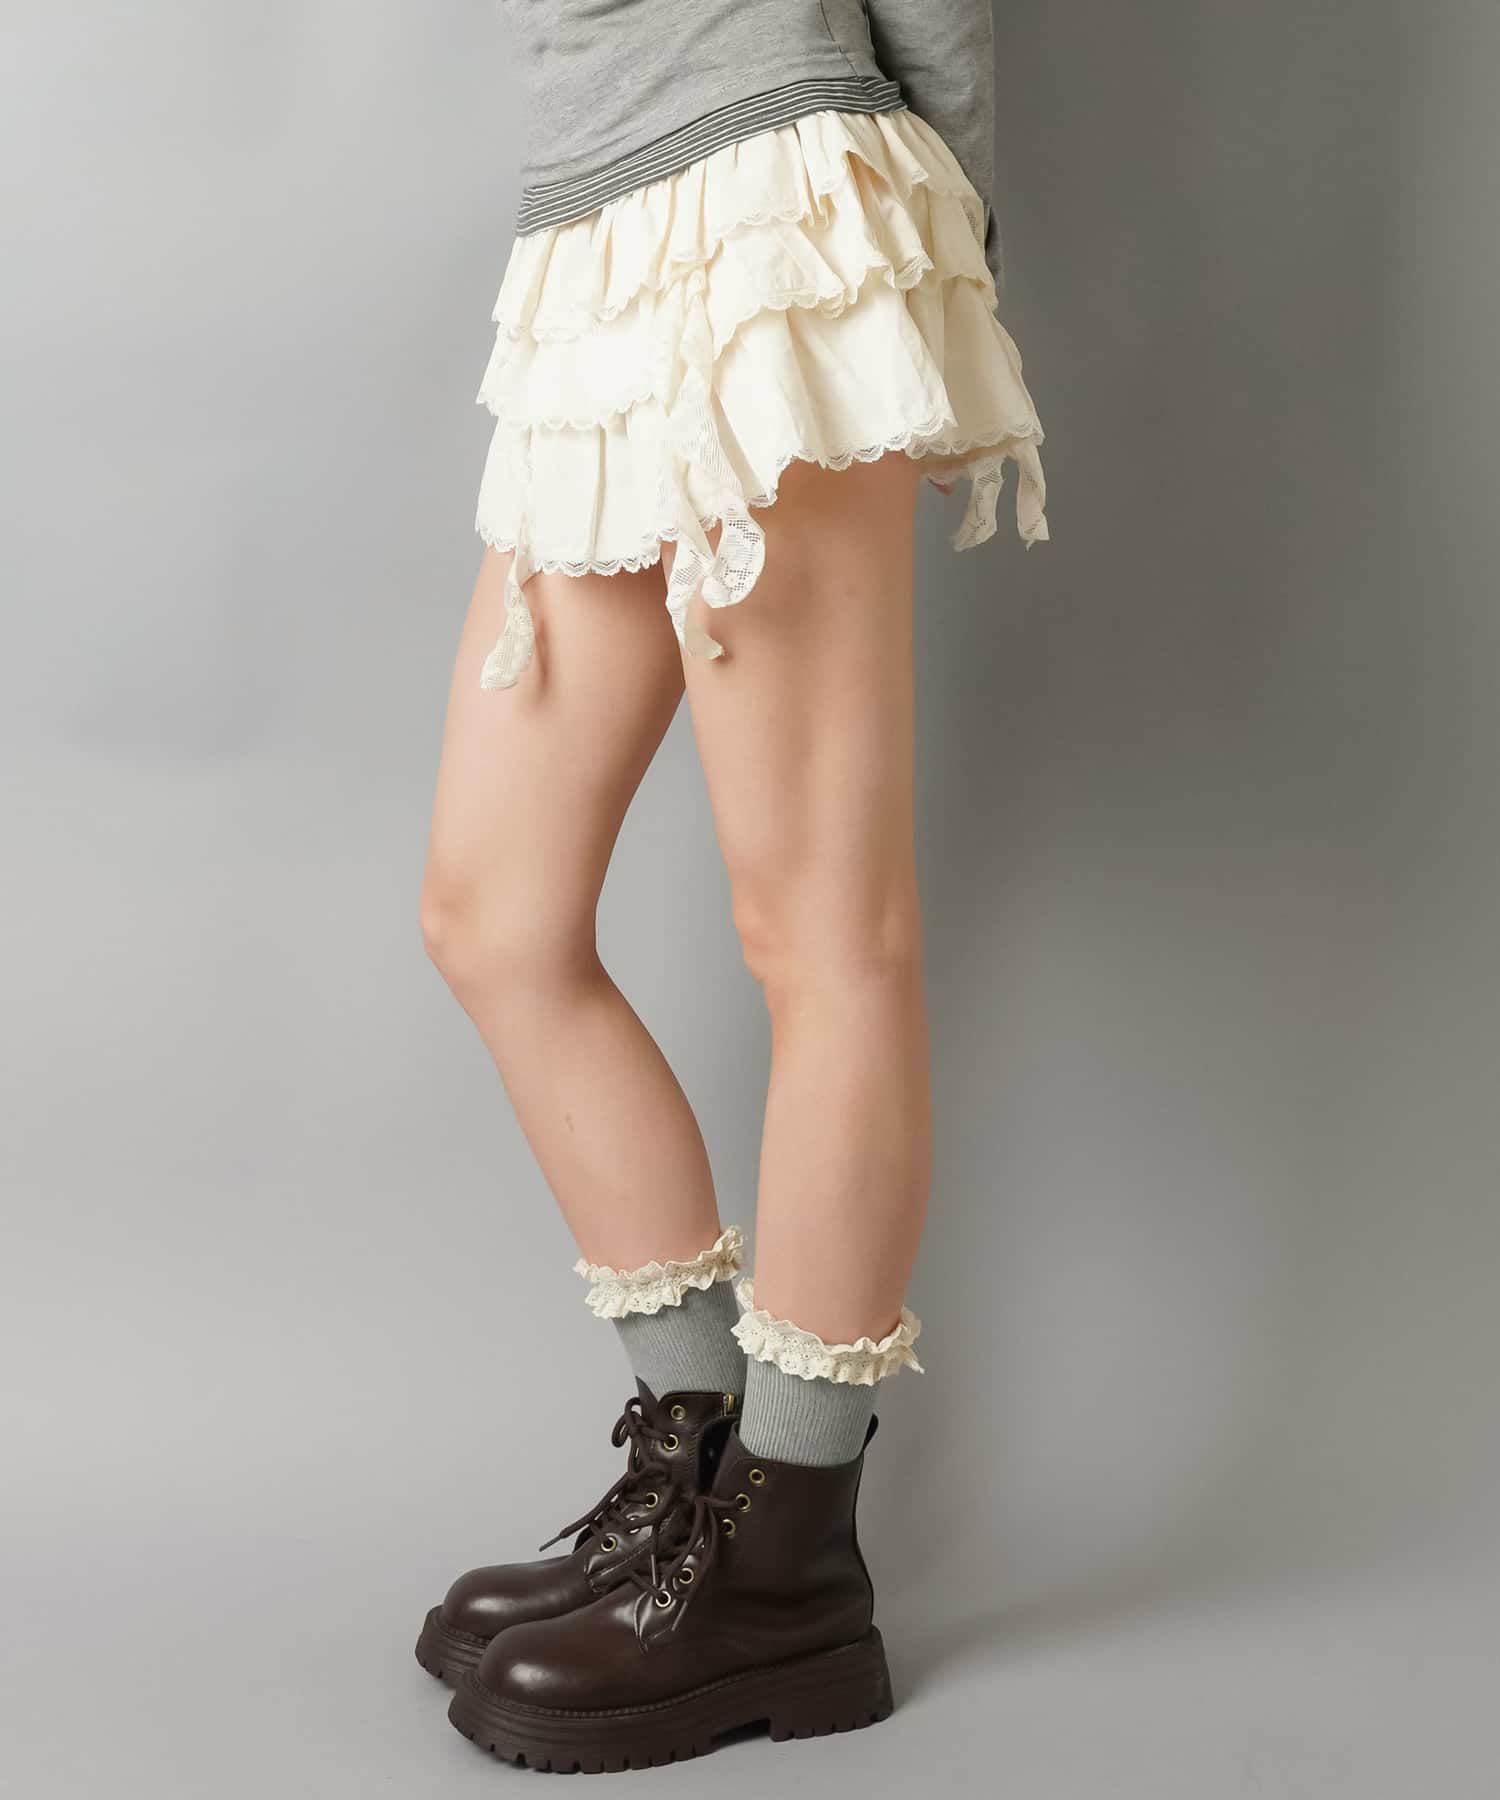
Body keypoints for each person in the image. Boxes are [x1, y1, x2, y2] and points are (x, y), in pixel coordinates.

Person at [414, 0, 1047, 1771]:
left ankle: (785, 1565)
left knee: (825, 933)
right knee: (494, 912)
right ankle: (697, 1479)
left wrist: (921, 258)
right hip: (598, 225)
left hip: (776, 200)